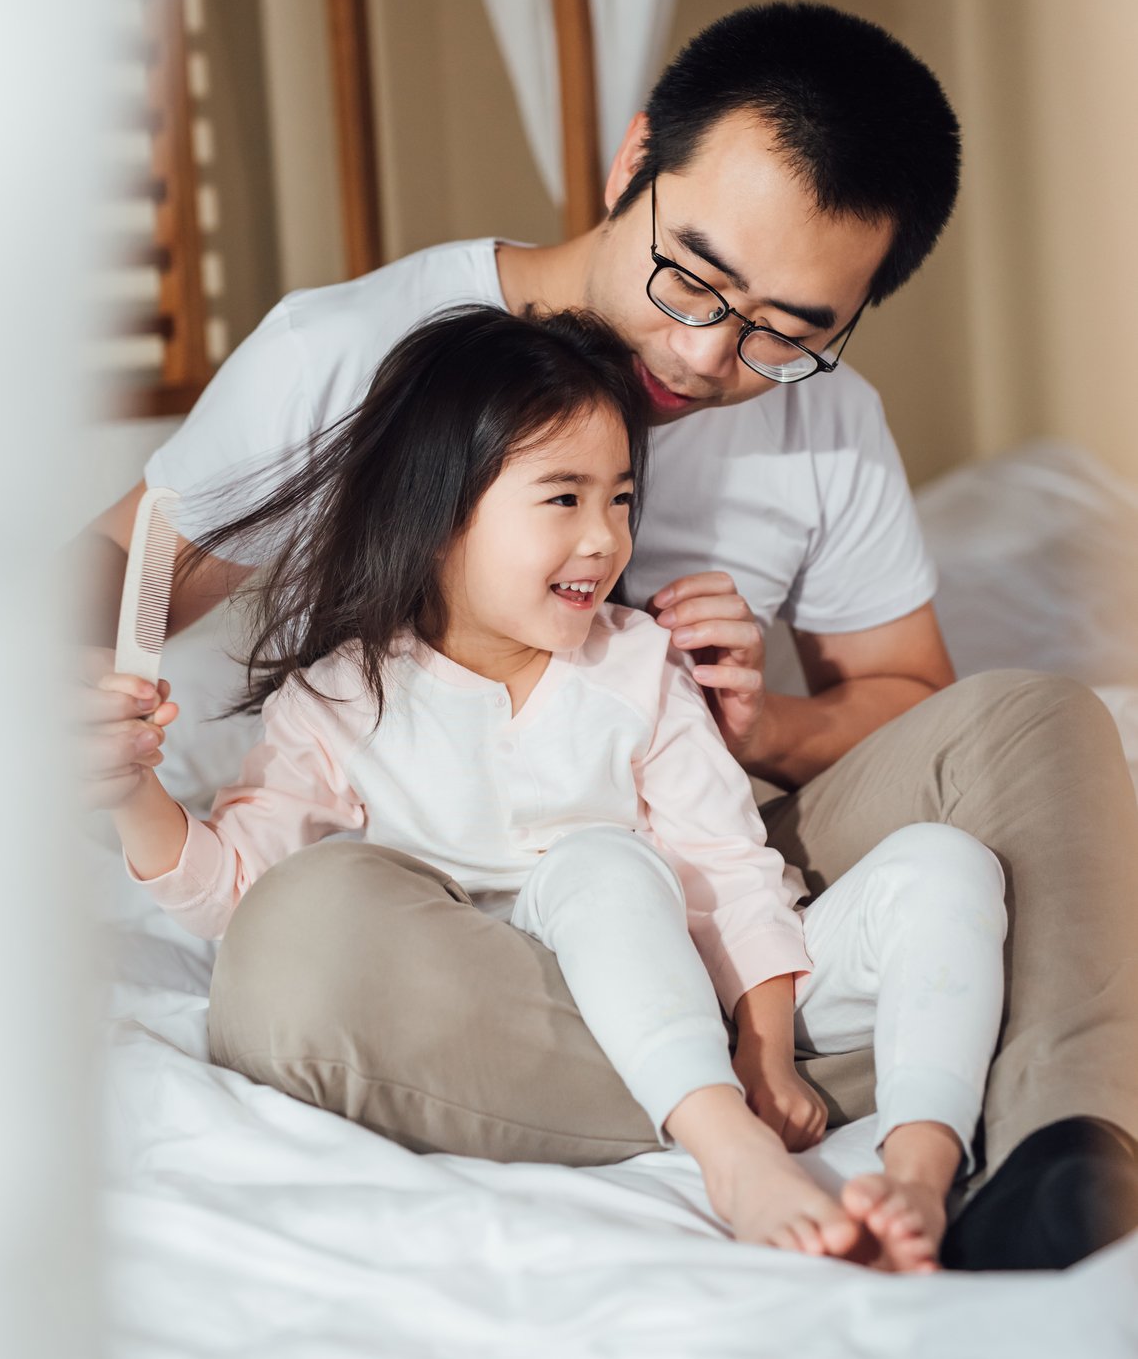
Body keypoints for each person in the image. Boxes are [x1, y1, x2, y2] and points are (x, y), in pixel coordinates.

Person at [79, 1, 1138, 1270]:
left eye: (784, 332)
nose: (701, 353)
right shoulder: (350, 355)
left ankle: (1063, 1145)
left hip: (717, 870)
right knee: (296, 945)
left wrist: (764, 721)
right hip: (454, 922)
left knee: (1040, 723)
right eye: (692, 274)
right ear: (635, 159)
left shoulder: (826, 421)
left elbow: (913, 701)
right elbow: (114, 575)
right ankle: (849, 1067)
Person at [94, 306, 1008, 1271]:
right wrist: (130, 789)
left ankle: (920, 1168)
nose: (606, 538)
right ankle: (729, 1153)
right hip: (518, 1020)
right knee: (599, 861)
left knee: (948, 864)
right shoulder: (341, 698)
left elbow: (731, 866)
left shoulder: (640, 665)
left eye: (620, 498)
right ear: (437, 513)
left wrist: (768, 1052)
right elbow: (233, 892)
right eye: (564, 498)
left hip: (694, 990)